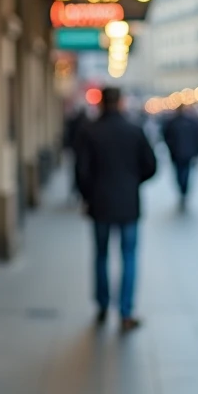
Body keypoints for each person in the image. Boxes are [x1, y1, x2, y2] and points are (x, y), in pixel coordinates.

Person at [76, 87, 157, 330]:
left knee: (101, 255)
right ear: (120, 102)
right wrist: (132, 181)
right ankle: (125, 311)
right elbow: (151, 166)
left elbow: (81, 171)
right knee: (129, 256)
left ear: (101, 103)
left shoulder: (89, 131)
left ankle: (102, 305)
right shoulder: (134, 130)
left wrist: (88, 194)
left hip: (100, 203)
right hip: (128, 203)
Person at [162, 104, 198, 210]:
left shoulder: (173, 122)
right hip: (185, 153)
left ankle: (183, 190)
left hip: (178, 153)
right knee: (185, 172)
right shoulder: (190, 122)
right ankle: (183, 190)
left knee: (180, 173)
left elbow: (166, 136)